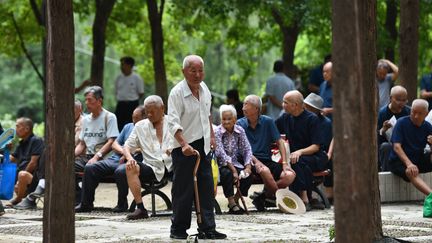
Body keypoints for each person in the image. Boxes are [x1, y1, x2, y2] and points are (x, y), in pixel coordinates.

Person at [167, 55, 226, 240]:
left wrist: (212, 135)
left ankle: (207, 227)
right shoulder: (177, 93)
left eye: (200, 70)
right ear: (184, 71)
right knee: (183, 190)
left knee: (206, 186)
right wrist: (184, 144)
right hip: (183, 146)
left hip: (203, 144)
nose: (197, 74)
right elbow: (173, 123)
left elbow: (207, 114)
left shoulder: (205, 89)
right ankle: (178, 228)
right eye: (193, 71)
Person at [75, 106, 144, 213]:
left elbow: (147, 147)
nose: (134, 120)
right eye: (133, 117)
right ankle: (86, 204)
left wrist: (129, 153)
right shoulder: (128, 127)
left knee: (120, 171)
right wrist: (124, 152)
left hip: (133, 160)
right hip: (115, 159)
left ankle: (122, 204)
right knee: (90, 167)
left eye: (137, 118)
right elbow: (114, 144)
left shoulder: (147, 128)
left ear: (144, 117)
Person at [237, 95, 296, 211]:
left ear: (256, 109)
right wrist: (257, 162)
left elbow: (280, 142)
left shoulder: (268, 122)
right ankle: (283, 202)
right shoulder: (240, 124)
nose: (243, 108)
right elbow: (243, 149)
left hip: (267, 160)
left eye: (246, 104)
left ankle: (262, 197)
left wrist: (285, 163)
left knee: (289, 176)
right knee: (265, 171)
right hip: (248, 161)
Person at [276, 91, 328, 210]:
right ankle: (309, 198)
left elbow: (316, 146)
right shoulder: (285, 118)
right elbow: (273, 132)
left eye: (285, 102)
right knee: (294, 161)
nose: (282, 104)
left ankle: (303, 196)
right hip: (294, 157)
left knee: (297, 161)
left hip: (315, 156)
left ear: (294, 105)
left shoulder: (312, 119)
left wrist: (300, 152)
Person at [124, 95, 173, 220]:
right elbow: (127, 147)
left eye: (153, 112)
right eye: (147, 112)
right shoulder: (140, 126)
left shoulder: (173, 121)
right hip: (151, 167)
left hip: (173, 164)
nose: (149, 115)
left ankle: (186, 205)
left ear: (162, 109)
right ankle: (140, 208)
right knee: (130, 167)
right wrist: (130, 158)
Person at [74, 86, 119, 207]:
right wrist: (69, 156)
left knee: (90, 167)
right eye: (86, 100)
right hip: (88, 156)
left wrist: (97, 156)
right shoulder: (86, 120)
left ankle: (86, 204)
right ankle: (77, 199)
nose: (87, 103)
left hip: (105, 158)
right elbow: (82, 144)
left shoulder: (109, 117)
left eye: (90, 100)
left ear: (99, 101)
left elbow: (111, 141)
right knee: (66, 166)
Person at [388, 99, 432, 199]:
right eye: (413, 112)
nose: (416, 116)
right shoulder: (401, 123)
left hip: (417, 159)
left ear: (426, 114)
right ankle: (431, 195)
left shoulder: (427, 126)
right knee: (411, 171)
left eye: (420, 113)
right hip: (399, 161)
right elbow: (396, 146)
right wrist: (409, 164)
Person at [214, 104, 253, 214]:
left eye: (229, 119)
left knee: (248, 176)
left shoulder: (240, 130)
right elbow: (220, 153)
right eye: (224, 119)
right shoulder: (217, 132)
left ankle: (236, 199)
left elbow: (247, 149)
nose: (226, 122)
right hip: (222, 164)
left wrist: (248, 167)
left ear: (235, 119)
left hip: (236, 163)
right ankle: (231, 202)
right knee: (227, 174)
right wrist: (234, 171)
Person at [6, 117, 44, 207]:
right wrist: (7, 150)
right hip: (22, 182)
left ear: (27, 129)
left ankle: (18, 199)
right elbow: (10, 160)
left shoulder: (36, 140)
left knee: (22, 174)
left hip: (34, 180)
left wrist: (19, 181)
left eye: (17, 126)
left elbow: (33, 163)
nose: (16, 129)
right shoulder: (21, 143)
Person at [303, 93, 334, 202]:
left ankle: (308, 196)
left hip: (318, 155)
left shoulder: (325, 123)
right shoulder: (303, 119)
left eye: (307, 107)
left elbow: (322, 145)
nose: (305, 108)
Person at [377, 86, 410, 171]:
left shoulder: (409, 112)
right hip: (389, 145)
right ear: (391, 98)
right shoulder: (382, 113)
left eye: (404, 100)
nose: (401, 103)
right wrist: (383, 129)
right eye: (398, 100)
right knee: (385, 146)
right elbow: (378, 136)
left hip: (406, 144)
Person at [115, 56, 144, 131]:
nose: (121, 67)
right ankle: (119, 141)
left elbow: (141, 93)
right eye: (121, 64)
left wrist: (132, 100)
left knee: (133, 125)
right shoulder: (118, 78)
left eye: (123, 64)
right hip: (121, 105)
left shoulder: (137, 78)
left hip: (132, 105)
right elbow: (116, 91)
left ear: (130, 65)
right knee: (118, 125)